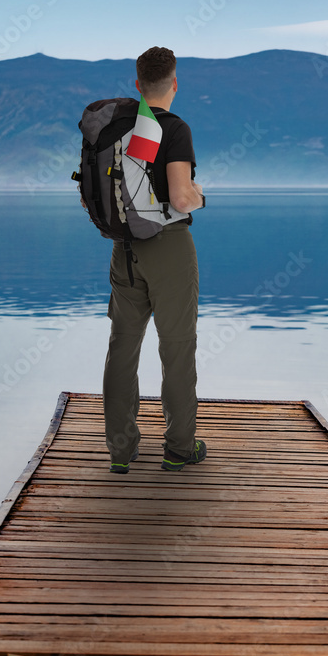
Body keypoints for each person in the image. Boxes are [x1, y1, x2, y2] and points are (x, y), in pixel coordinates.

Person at [102, 46, 207, 474]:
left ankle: (121, 452)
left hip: (123, 248)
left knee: (123, 347)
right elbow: (181, 196)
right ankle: (179, 448)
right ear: (175, 84)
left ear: (138, 84)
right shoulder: (174, 128)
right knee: (177, 347)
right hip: (168, 246)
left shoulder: (118, 128)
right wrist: (201, 196)